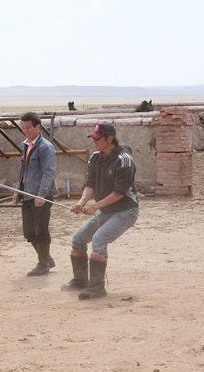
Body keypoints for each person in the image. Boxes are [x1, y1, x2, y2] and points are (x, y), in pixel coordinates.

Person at [62, 122, 139, 299]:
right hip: (107, 211)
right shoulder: (96, 158)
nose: (94, 141)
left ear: (110, 138)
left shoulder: (124, 160)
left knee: (99, 238)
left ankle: (97, 288)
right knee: (78, 239)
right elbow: (90, 185)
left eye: (98, 138)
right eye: (94, 138)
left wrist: (95, 206)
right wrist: (82, 203)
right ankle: (80, 281)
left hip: (126, 211)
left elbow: (119, 193)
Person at [13, 112, 57, 276]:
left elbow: (49, 172)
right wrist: (17, 189)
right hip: (26, 193)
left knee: (41, 231)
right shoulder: (25, 145)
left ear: (37, 127)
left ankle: (43, 264)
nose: (26, 131)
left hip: (40, 195)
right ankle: (46, 259)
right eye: (23, 128)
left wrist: (42, 194)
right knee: (29, 233)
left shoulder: (46, 147)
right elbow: (23, 170)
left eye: (28, 127)